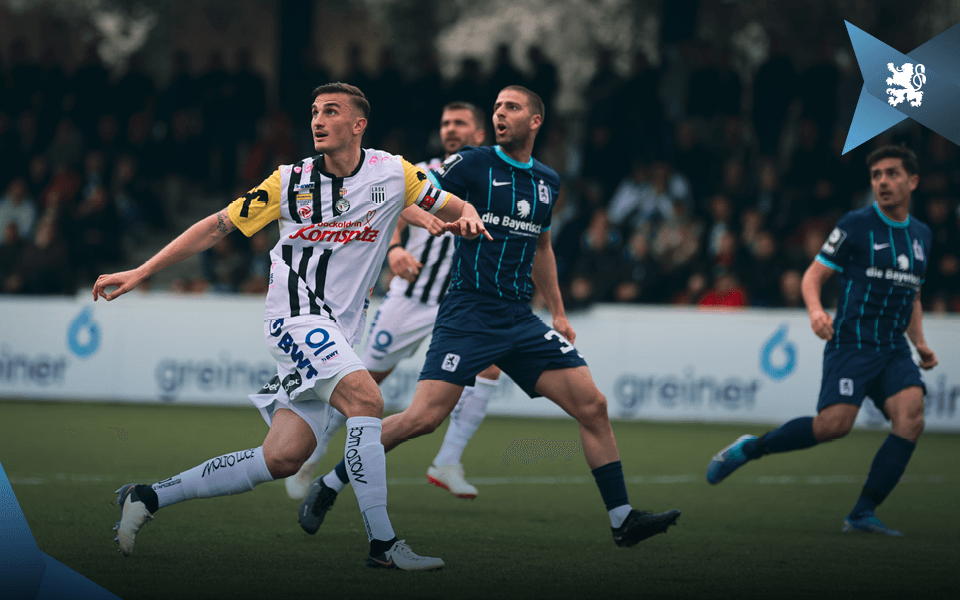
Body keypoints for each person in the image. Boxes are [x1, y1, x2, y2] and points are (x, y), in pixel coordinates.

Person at [92, 82, 491, 570]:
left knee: (282, 456)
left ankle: (148, 497)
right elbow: (215, 226)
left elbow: (452, 205)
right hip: (295, 320)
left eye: (331, 111)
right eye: (314, 112)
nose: (318, 120)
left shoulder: (394, 172)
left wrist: (468, 217)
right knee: (367, 400)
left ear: (358, 124)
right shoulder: (289, 182)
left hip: (340, 332)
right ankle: (383, 545)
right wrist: (141, 271)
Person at [303, 85, 681, 548]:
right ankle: (331, 483)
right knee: (422, 419)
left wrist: (558, 313)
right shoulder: (472, 163)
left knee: (594, 406)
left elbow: (542, 247)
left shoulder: (548, 180)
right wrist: (421, 232)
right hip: (467, 313)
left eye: (512, 108)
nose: (501, 114)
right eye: (498, 107)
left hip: (520, 320)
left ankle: (623, 520)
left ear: (536, 121)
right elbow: (411, 198)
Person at [706, 145, 937, 536]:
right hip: (852, 341)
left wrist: (920, 342)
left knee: (911, 417)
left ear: (912, 181)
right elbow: (812, 276)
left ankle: (862, 513)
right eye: (877, 174)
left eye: (892, 173)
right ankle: (752, 447)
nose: (882, 181)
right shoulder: (856, 224)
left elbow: (911, 292)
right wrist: (815, 312)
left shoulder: (922, 236)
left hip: (894, 346)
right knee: (834, 426)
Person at [287, 101, 501, 503]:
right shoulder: (429, 171)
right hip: (412, 299)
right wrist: (396, 249)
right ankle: (309, 456)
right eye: (445, 122)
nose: (450, 129)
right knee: (364, 384)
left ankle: (448, 461)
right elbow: (396, 205)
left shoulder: (493, 179)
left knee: (490, 366)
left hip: (461, 302)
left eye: (460, 123)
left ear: (479, 134)